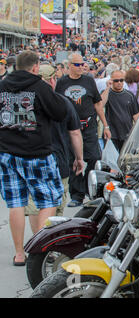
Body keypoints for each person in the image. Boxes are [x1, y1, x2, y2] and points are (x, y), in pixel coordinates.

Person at [0, 51, 67, 266]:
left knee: (16, 203)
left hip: (7, 152)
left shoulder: (2, 85)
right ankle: (41, 249)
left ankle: (20, 254)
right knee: (50, 199)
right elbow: (59, 112)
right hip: (36, 152)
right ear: (36, 67)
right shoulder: (39, 87)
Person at [25, 64, 84, 234]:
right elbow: (74, 133)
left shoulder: (26, 103)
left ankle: (37, 243)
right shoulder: (62, 102)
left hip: (32, 158)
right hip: (58, 158)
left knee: (36, 204)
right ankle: (47, 245)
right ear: (52, 80)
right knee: (55, 205)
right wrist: (79, 158)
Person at [56, 53, 111, 208]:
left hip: (88, 126)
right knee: (73, 161)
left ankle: (88, 188)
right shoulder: (62, 82)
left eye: (82, 64)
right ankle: (77, 195)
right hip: (69, 128)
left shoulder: (88, 80)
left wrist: (105, 126)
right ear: (69, 66)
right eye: (77, 65)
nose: (81, 67)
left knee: (94, 157)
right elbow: (57, 105)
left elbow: (98, 104)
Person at [100, 70, 139, 151]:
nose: (119, 82)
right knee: (111, 161)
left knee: (126, 160)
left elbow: (136, 115)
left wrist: (138, 132)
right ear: (111, 80)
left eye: (121, 80)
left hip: (127, 133)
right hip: (111, 134)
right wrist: (108, 87)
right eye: (116, 81)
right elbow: (100, 105)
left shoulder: (129, 95)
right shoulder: (106, 93)